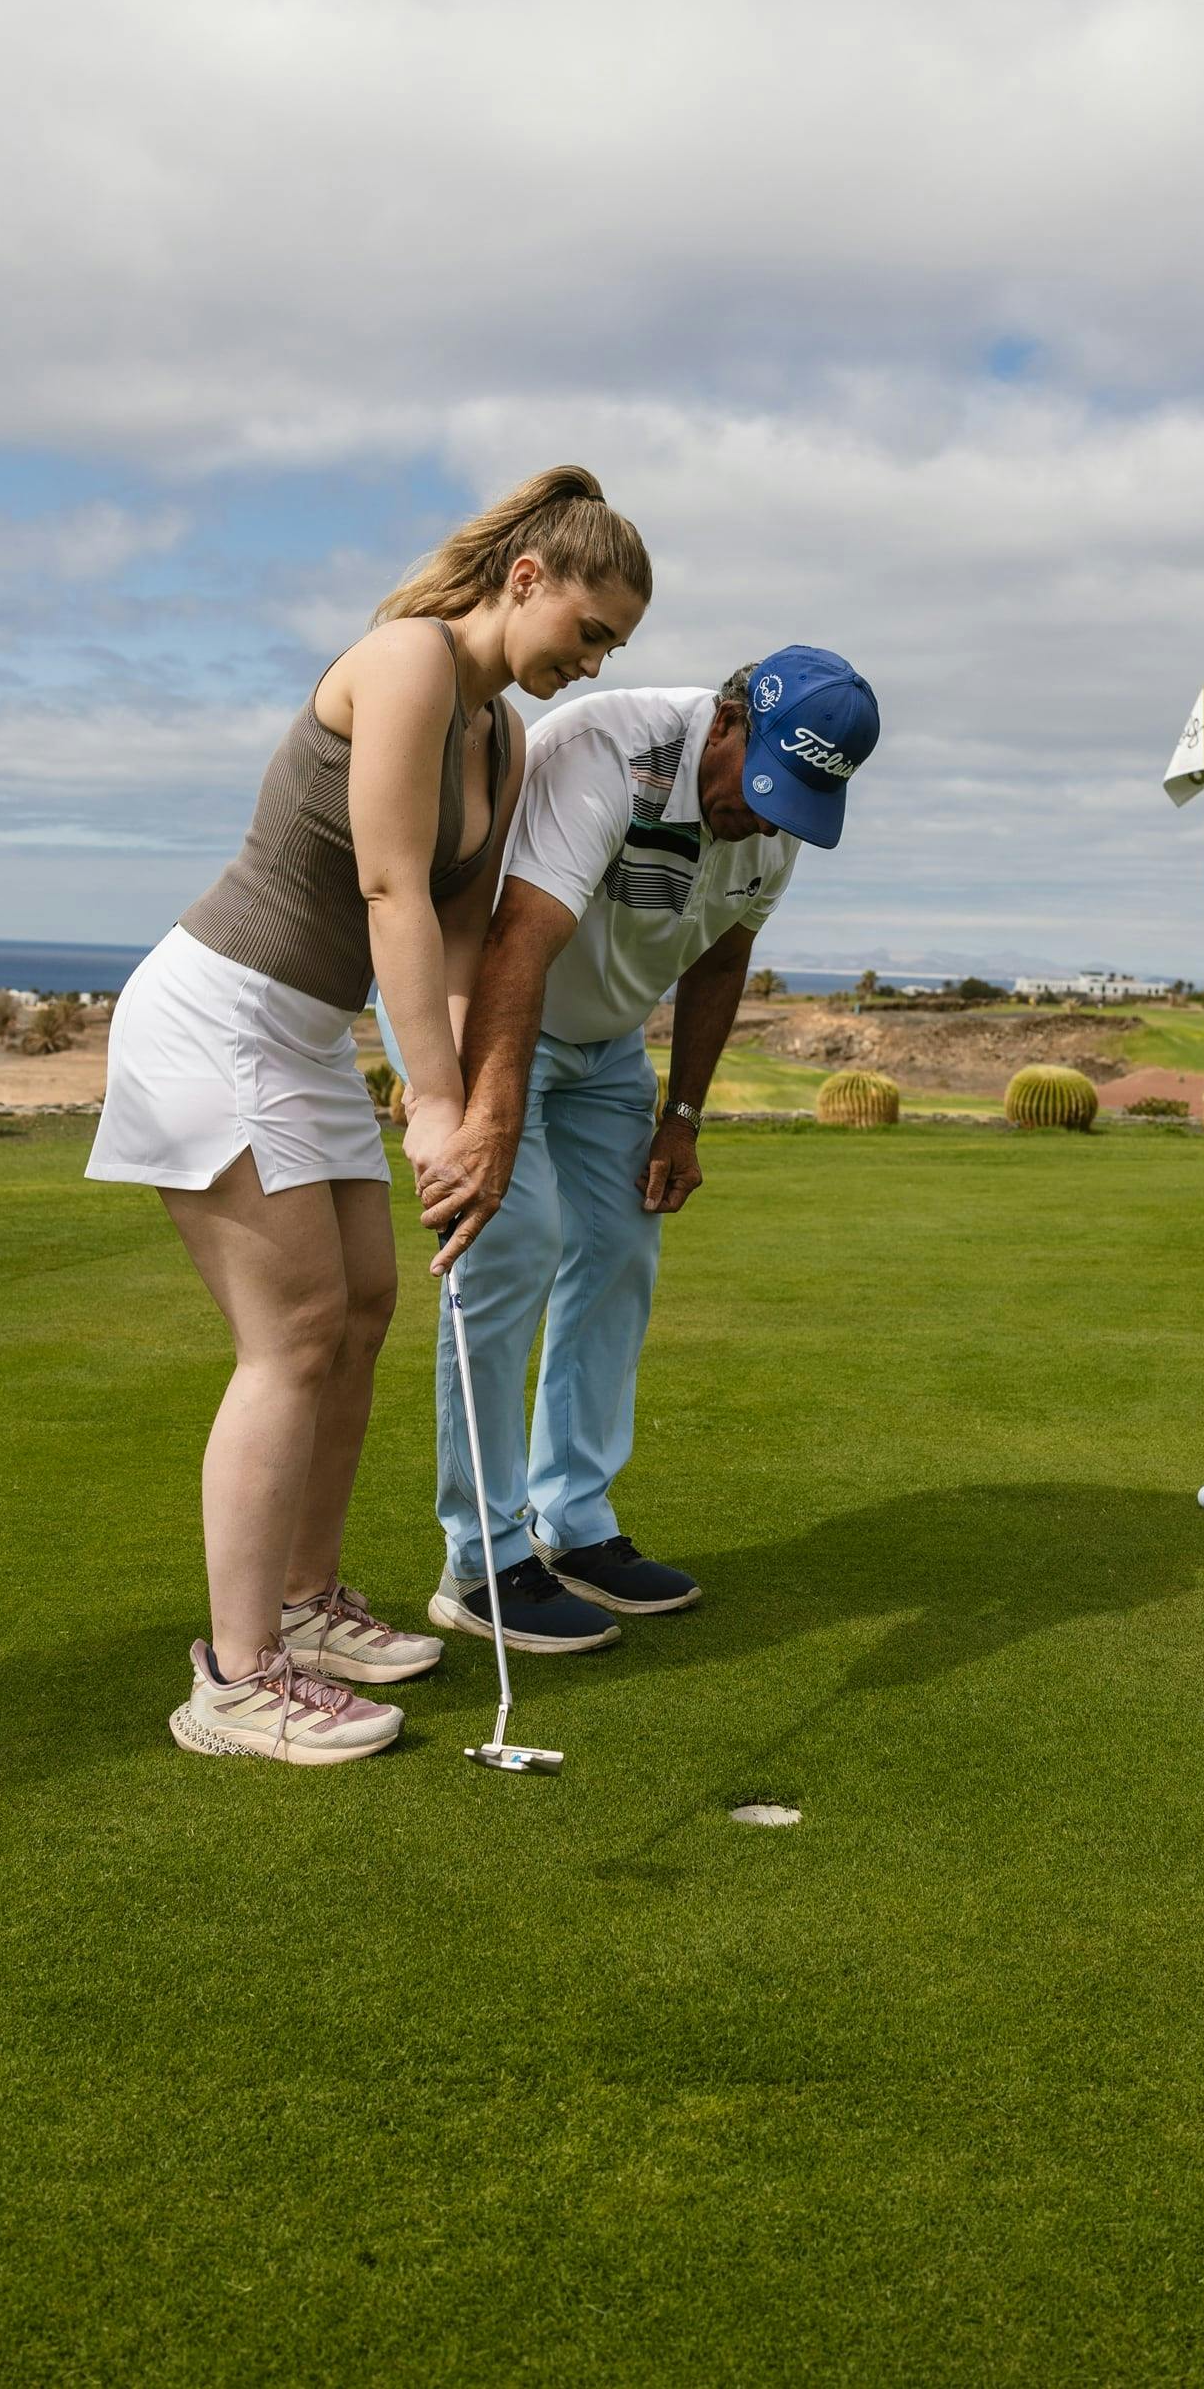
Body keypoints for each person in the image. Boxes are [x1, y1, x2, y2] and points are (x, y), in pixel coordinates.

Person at [86, 468, 652, 1761]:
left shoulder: (499, 733)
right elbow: (392, 889)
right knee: (288, 1337)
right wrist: (441, 1102)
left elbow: (459, 934)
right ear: (528, 582)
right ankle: (234, 1682)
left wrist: (446, 1108)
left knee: (364, 1314)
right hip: (216, 1017)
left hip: (305, 1037)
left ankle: (308, 1604)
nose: (597, 660)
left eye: (616, 645)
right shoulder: (403, 664)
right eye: (592, 629)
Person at [419, 646, 880, 1652]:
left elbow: (722, 955)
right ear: (725, 722)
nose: (761, 818)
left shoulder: (776, 817)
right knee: (513, 1243)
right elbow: (519, 942)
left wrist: (683, 1114)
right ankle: (480, 1561)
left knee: (624, 1245)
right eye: (758, 788)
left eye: (793, 806)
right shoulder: (603, 748)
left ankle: (572, 1525)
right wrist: (487, 1118)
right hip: (501, 1020)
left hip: (608, 1046)